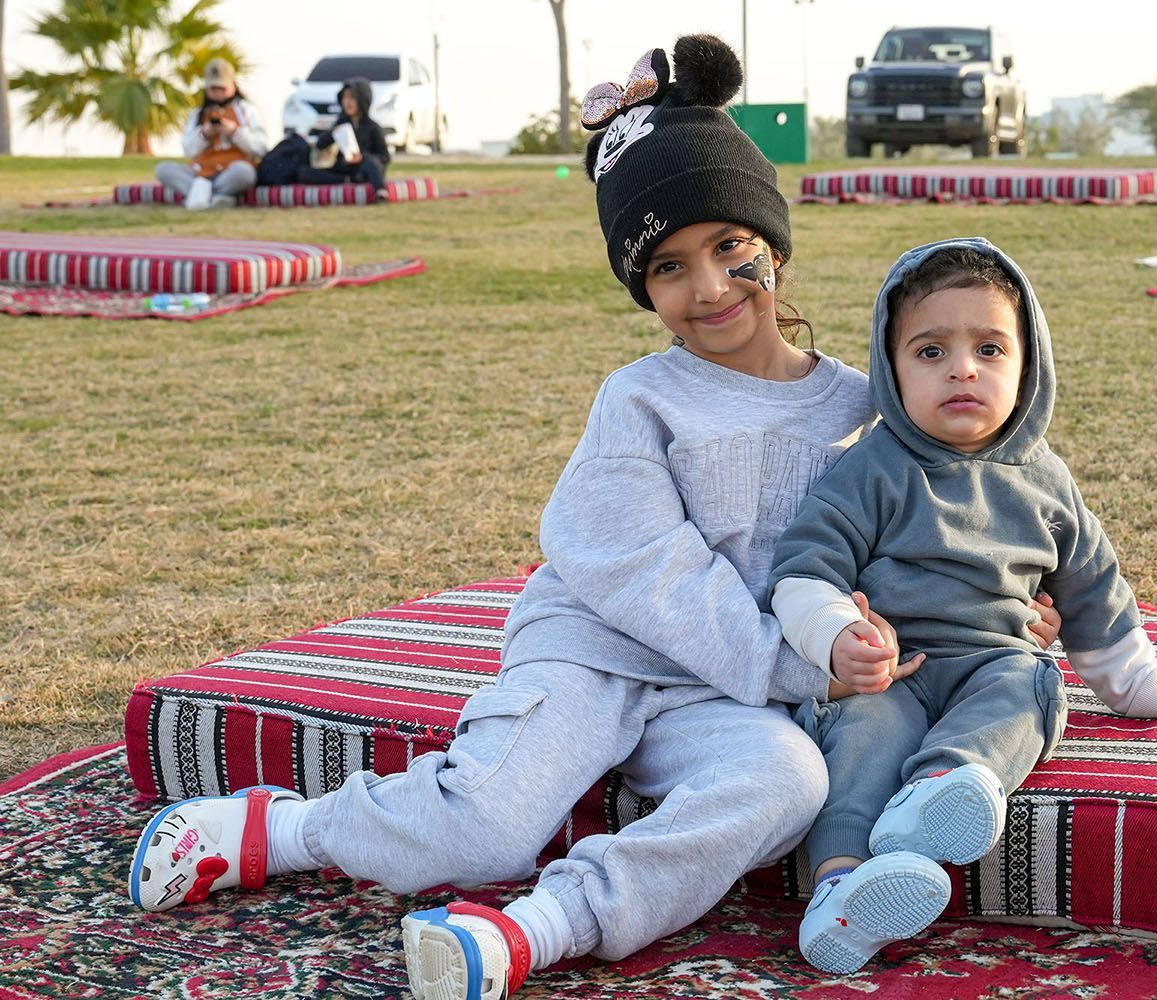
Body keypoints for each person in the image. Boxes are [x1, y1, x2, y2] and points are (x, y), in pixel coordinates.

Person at [127, 36, 1065, 998]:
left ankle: (539, 928)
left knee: (790, 783)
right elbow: (639, 565)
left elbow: (939, 523)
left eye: (730, 249)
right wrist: (797, 665)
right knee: (488, 825)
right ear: (641, 286)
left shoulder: (866, 408)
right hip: (599, 652)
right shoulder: (641, 399)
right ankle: (276, 828)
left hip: (726, 698)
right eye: (667, 266)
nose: (708, 288)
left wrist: (1002, 602)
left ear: (774, 245)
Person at [768, 237, 1157, 975]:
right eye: (930, 352)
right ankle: (839, 891)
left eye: (989, 348)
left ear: (1027, 365)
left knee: (1030, 688)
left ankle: (937, 795)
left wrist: (1147, 688)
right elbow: (803, 568)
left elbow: (1096, 592)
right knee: (859, 742)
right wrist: (836, 634)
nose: (962, 369)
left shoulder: (1045, 480)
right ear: (890, 369)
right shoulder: (873, 468)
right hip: (893, 670)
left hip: (994, 660)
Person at [154, 58, 267, 211]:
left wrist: (235, 133)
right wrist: (204, 135)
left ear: (233, 86)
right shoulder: (197, 114)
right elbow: (188, 151)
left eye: (222, 88)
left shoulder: (248, 110)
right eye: (213, 88)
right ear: (206, 88)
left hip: (232, 171)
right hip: (201, 172)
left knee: (245, 173)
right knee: (163, 169)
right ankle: (219, 197)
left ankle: (201, 195)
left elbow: (261, 148)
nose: (218, 93)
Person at [296, 77, 391, 198]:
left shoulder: (373, 127)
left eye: (352, 97)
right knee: (304, 172)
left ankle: (380, 191)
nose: (347, 102)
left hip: (364, 168)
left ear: (362, 99)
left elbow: (385, 157)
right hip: (345, 170)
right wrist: (333, 132)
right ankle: (348, 180)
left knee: (371, 161)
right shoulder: (341, 122)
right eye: (344, 97)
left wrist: (362, 158)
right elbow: (320, 145)